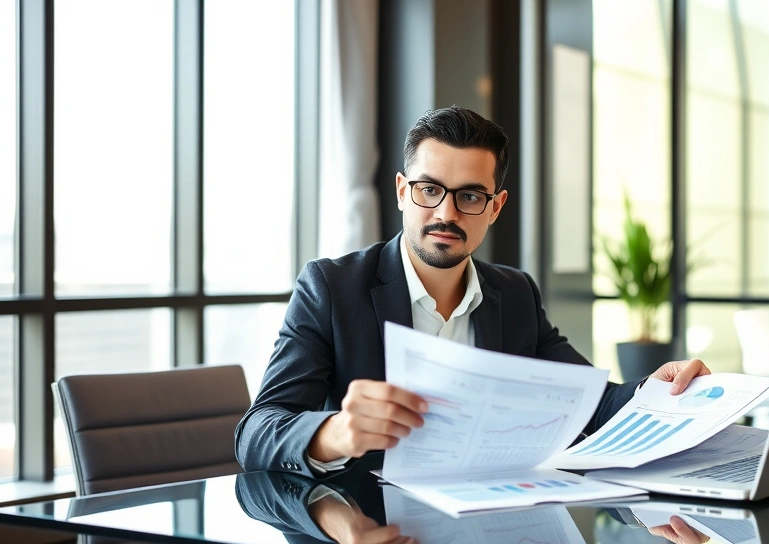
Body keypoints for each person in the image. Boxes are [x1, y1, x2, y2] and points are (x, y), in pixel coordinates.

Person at [235, 105, 709, 476]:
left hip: (484, 529)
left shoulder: (515, 292)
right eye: (428, 190)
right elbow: (257, 431)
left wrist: (656, 390)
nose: (445, 213)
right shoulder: (332, 288)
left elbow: (590, 401)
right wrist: (336, 433)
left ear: (495, 206)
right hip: (358, 530)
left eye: (469, 195)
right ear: (402, 191)